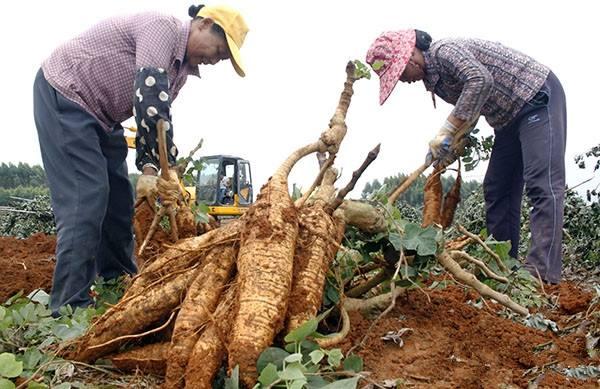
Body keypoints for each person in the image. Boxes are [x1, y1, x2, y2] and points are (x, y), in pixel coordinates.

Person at [33, 4, 248, 315]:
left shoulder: (181, 71)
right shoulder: (162, 27)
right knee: (88, 197)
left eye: (223, 59)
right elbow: (149, 98)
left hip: (104, 119)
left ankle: (117, 283)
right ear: (203, 24)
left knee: (120, 202)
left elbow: (159, 123)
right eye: (219, 50)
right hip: (67, 96)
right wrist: (154, 169)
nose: (216, 61)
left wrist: (161, 172)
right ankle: (69, 308)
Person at [366, 30, 566, 284]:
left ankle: (541, 273)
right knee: (496, 188)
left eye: (400, 74)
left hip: (535, 98)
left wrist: (448, 129)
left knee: (542, 184)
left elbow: (480, 81)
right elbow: (472, 106)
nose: (402, 81)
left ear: (410, 57)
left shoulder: (444, 51)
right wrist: (451, 146)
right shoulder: (434, 80)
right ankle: (502, 267)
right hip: (506, 119)